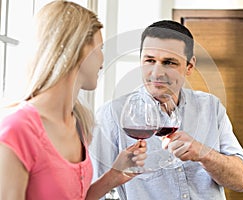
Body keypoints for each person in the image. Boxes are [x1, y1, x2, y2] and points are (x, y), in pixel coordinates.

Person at [0, 1, 147, 200]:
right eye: (100, 48)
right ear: (78, 50)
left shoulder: (78, 124)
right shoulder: (18, 129)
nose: (103, 61)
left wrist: (114, 175)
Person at [91, 20, 243, 200]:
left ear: (189, 66)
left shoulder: (211, 107)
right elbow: (93, 191)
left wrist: (203, 154)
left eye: (169, 63)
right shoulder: (112, 114)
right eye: (150, 60)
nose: (157, 73)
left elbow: (242, 181)